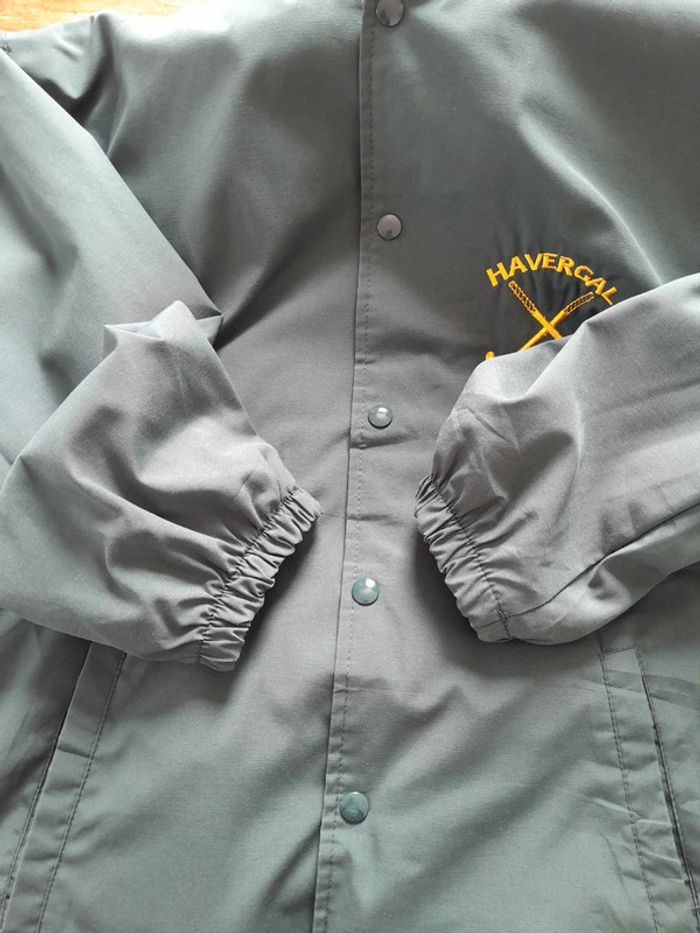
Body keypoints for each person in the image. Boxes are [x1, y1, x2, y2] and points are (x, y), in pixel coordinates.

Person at [1, 1, 699, 930]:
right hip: (138, 813)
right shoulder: (108, 85)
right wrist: (167, 485)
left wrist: (574, 459)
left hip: (589, 818)